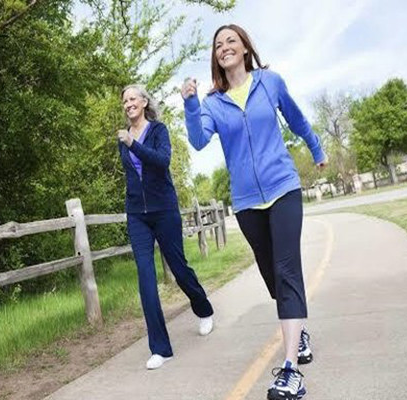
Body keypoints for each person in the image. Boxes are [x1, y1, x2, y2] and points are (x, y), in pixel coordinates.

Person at [181, 24, 326, 400]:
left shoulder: (269, 81)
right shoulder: (213, 102)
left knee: (286, 268)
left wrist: (317, 148)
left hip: (283, 187)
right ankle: (299, 331)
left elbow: (294, 118)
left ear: (245, 48)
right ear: (216, 58)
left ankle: (291, 370)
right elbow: (198, 141)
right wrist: (191, 103)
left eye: (231, 41)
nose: (224, 47)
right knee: (269, 273)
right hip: (246, 201)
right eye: (218, 45)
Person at [117, 84, 214, 370]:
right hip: (137, 215)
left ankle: (203, 308)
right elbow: (132, 175)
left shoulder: (158, 131)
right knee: (145, 278)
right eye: (124, 101)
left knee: (179, 267)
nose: (128, 103)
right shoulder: (122, 139)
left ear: (145, 102)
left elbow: (162, 162)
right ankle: (160, 348)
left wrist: (133, 144)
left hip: (164, 210)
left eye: (133, 98)